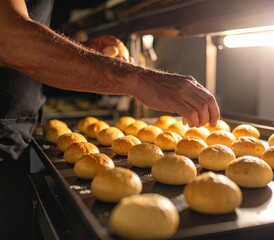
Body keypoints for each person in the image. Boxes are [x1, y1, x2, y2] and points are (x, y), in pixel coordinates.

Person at [0, 0, 220, 239]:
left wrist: (81, 52)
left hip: (15, 138)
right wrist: (139, 80)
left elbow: (24, 48)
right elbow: (8, 38)